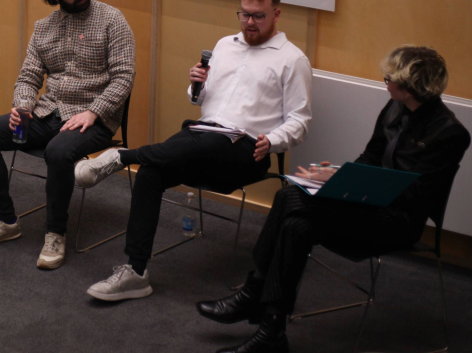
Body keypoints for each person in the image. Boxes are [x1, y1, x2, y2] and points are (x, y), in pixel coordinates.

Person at [196, 45, 470, 353]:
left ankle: (253, 293)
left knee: (289, 197)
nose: (385, 81)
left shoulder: (450, 133)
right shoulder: (396, 106)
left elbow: (417, 197)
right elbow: (371, 156)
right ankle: (272, 330)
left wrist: (354, 187)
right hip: (367, 202)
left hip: (398, 221)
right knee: (296, 225)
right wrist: (340, 178)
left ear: (411, 87)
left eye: (390, 78)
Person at [79, 0, 312, 301]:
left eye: (258, 16)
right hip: (202, 137)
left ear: (276, 14)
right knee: (151, 173)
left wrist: (272, 141)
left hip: (248, 150)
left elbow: (300, 121)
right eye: (244, 14)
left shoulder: (292, 59)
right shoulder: (225, 45)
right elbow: (200, 100)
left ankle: (122, 156)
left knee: (208, 142)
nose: (249, 22)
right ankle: (135, 272)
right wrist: (196, 84)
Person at [0, 0, 135, 270]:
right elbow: (28, 77)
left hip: (94, 118)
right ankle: (5, 220)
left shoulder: (112, 20)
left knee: (58, 152)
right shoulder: (44, 28)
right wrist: (22, 107)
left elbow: (124, 78)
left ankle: (55, 232)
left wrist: (93, 112)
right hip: (48, 112)